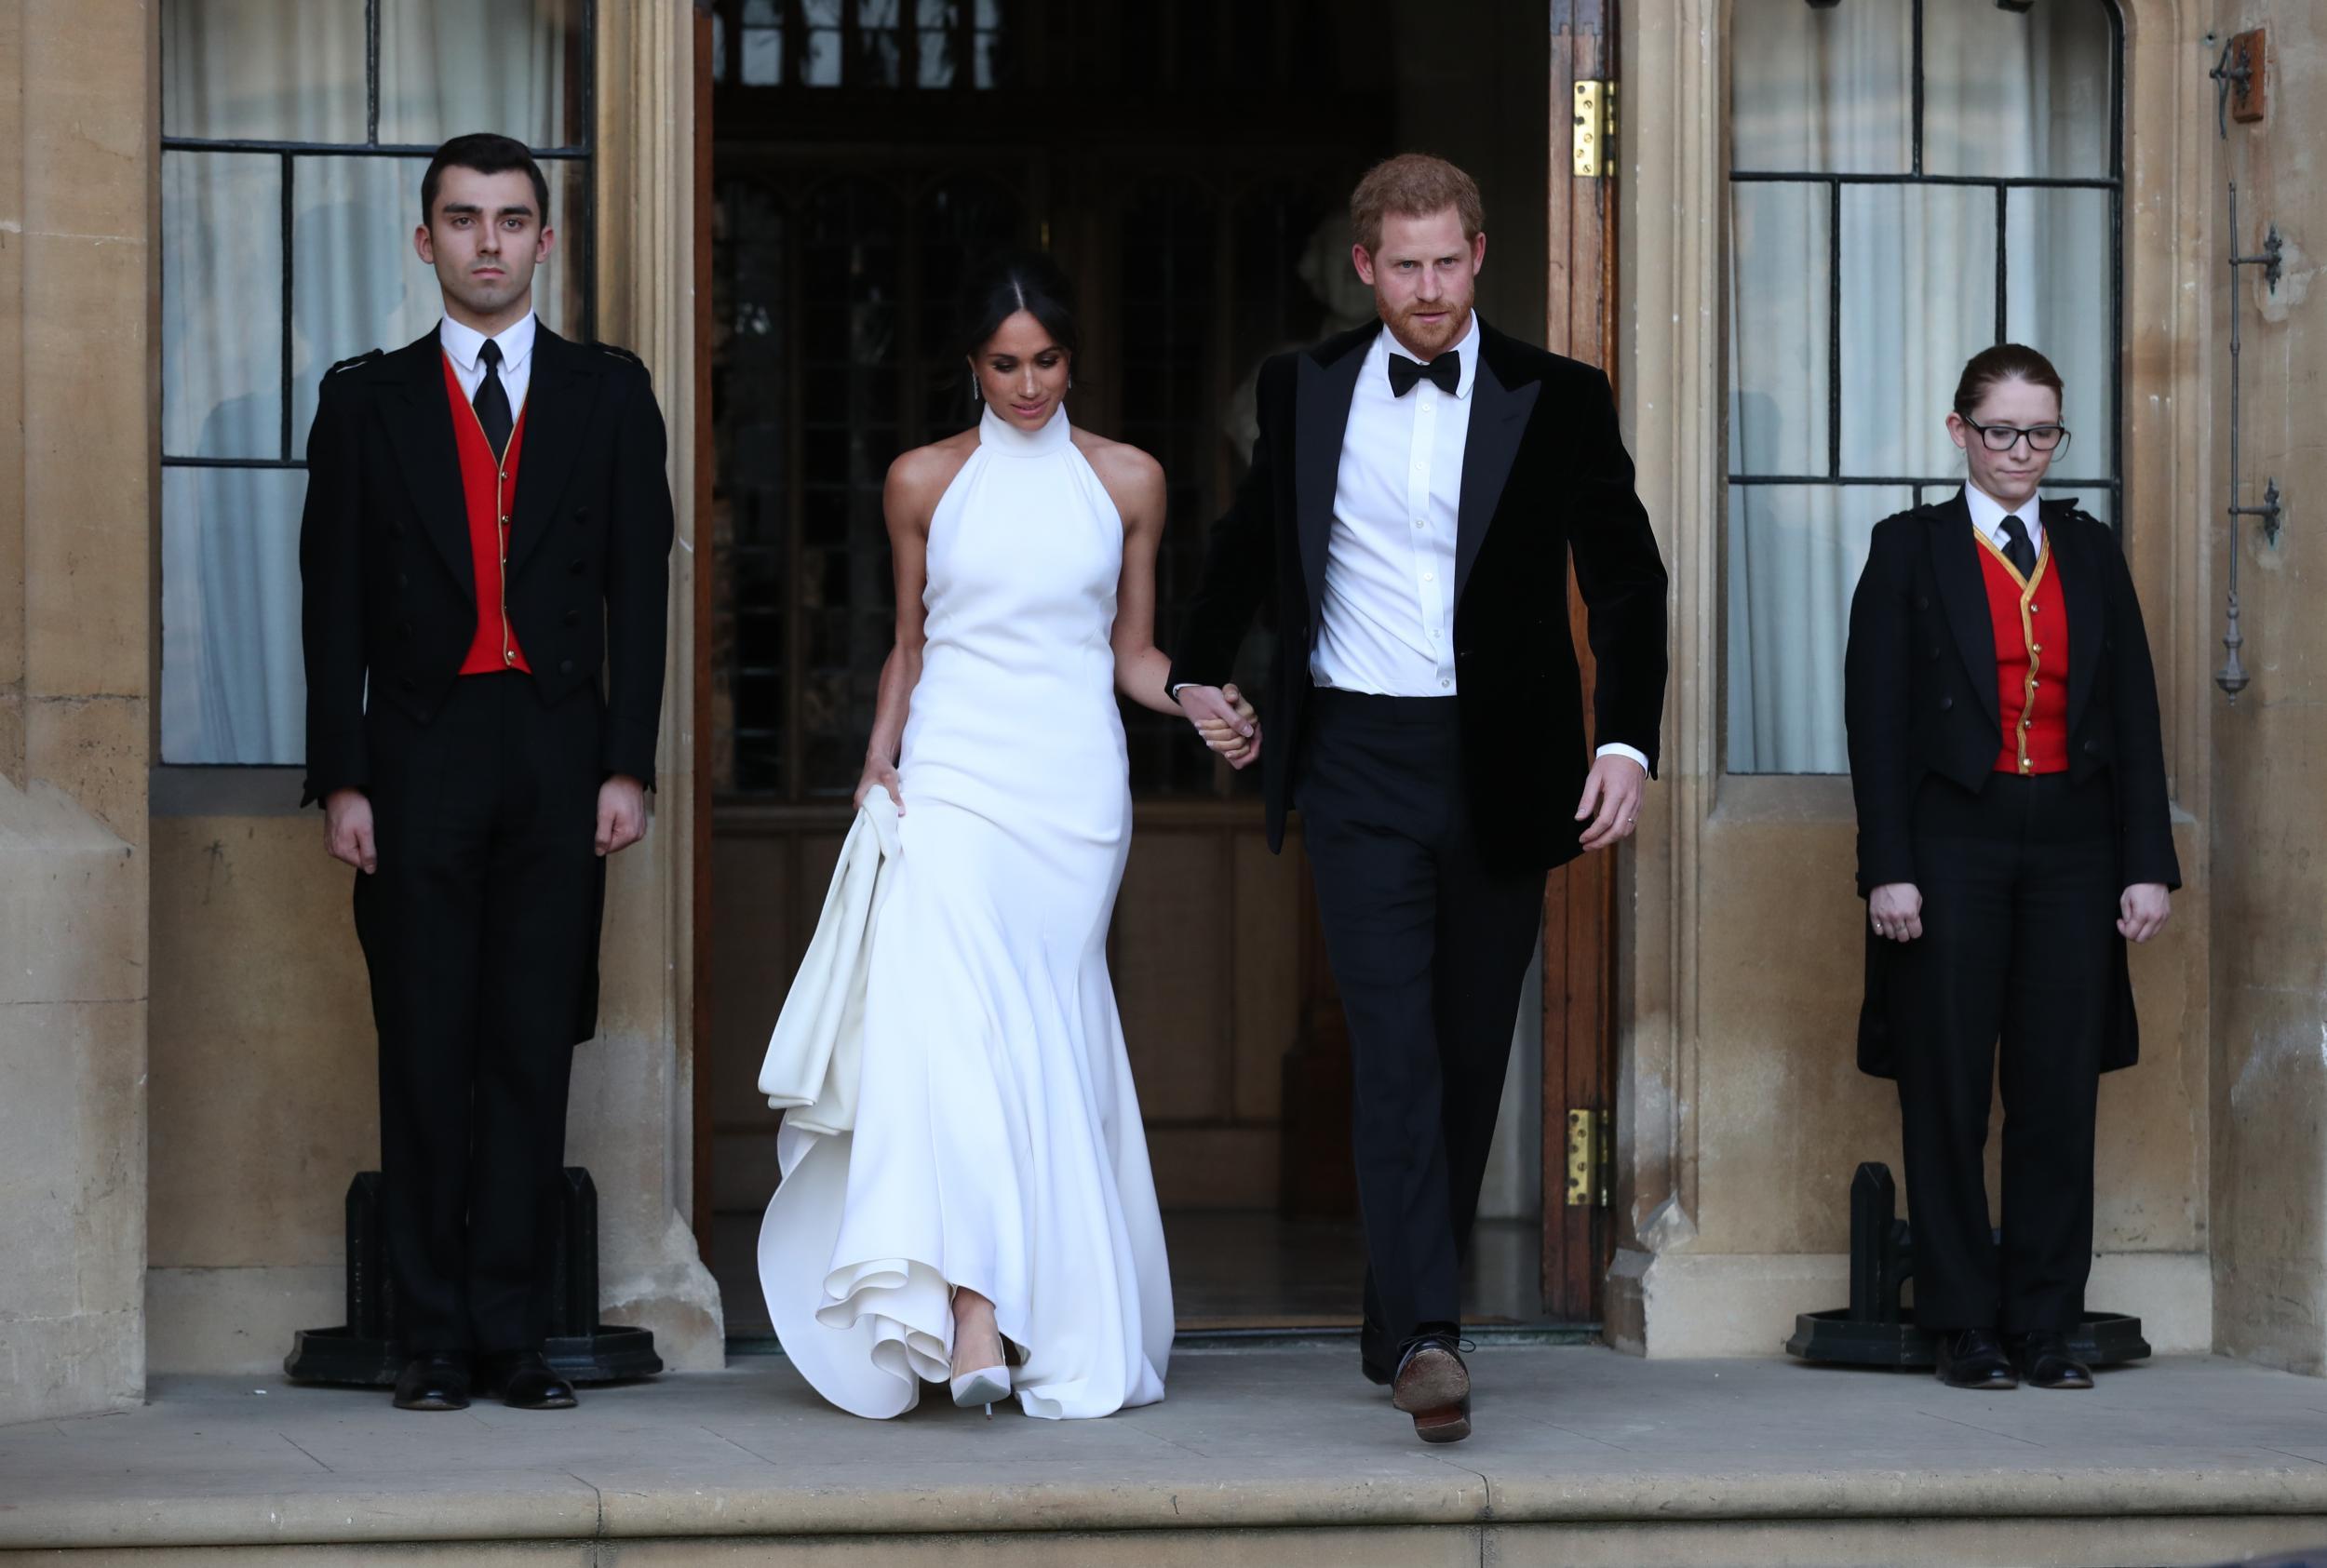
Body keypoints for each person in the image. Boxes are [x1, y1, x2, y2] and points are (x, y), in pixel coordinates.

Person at [1168, 154, 1669, 1444]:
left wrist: (1625, 744)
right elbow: (1249, 549)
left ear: (1481, 257)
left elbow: (1626, 581)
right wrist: (1193, 673)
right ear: (1365, 268)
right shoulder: (1303, 386)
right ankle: (1436, 1337)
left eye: (1450, 262)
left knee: (1461, 1054)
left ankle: (1401, 1314)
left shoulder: (1557, 398)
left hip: (1505, 769)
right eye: (1407, 266)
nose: (1431, 288)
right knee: (1390, 1050)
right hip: (1356, 763)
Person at [756, 253, 1184, 1421]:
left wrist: (1191, 696)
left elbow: (1131, 653)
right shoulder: (921, 482)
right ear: (971, 364)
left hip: (1072, 792)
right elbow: (911, 640)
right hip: (950, 775)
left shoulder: (1130, 479)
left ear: (1072, 357)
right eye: (1006, 363)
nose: (1029, 383)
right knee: (945, 1025)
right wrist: (878, 755)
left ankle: (1037, 1304)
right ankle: (974, 1307)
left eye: (1046, 359)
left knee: (1040, 1035)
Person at [299, 132, 674, 1413]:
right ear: (426, 242)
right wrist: (340, 776)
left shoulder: (610, 395)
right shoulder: (366, 401)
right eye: (464, 220)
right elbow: (330, 605)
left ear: (545, 240)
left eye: (513, 220)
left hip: (559, 749)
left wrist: (630, 763)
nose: (490, 242)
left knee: (529, 1041)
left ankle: (512, 1335)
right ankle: (428, 1337)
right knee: (423, 1042)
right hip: (416, 751)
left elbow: (642, 592)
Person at [1844, 343, 2178, 1392]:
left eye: (2041, 432)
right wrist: (1886, 866)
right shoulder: (1908, 548)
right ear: (1959, 433)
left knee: (2055, 1090)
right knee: (1946, 1089)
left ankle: (2043, 1320)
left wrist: (2146, 863)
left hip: (2075, 848)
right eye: (2001, 431)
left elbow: (2131, 711)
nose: (2021, 451)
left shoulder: (2088, 548)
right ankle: (1962, 1322)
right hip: (1952, 845)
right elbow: (1876, 719)